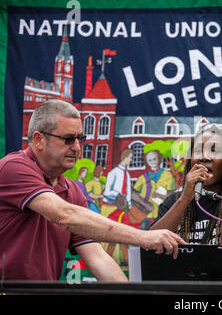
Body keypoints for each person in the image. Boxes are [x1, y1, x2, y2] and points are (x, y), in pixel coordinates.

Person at [0, 100, 185, 281]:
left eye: (80, 139)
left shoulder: (71, 191)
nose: (77, 147)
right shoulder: (14, 167)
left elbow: (98, 258)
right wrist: (143, 237)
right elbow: (65, 215)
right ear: (39, 140)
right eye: (68, 139)